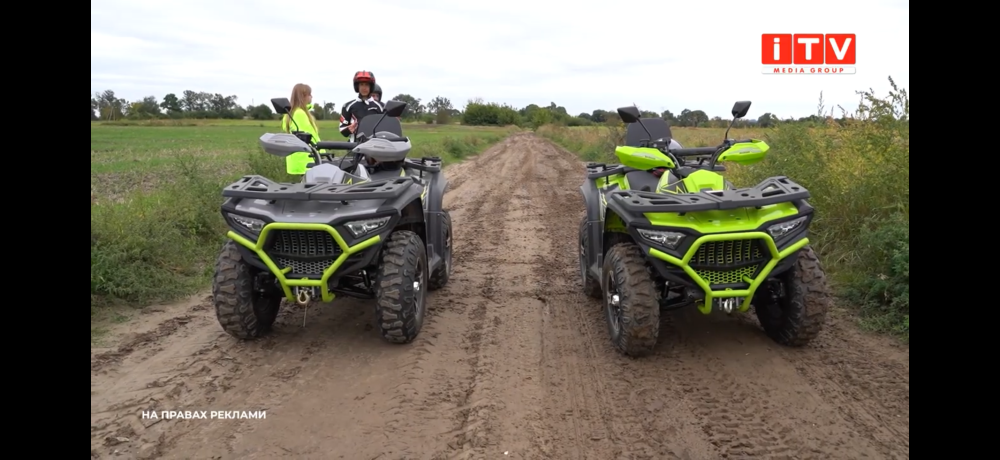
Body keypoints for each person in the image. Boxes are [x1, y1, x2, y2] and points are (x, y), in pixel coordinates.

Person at [281, 83, 321, 175]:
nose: (311, 96)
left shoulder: (291, 113)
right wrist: (321, 153)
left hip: (298, 159)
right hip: (306, 159)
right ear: (303, 96)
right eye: (309, 94)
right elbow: (310, 137)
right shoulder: (300, 114)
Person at [338, 71, 385, 141]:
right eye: (361, 84)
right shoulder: (348, 106)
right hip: (355, 145)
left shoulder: (381, 106)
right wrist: (349, 129)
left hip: (375, 144)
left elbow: (386, 127)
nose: (364, 88)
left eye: (366, 85)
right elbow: (342, 128)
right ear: (357, 86)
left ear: (371, 86)